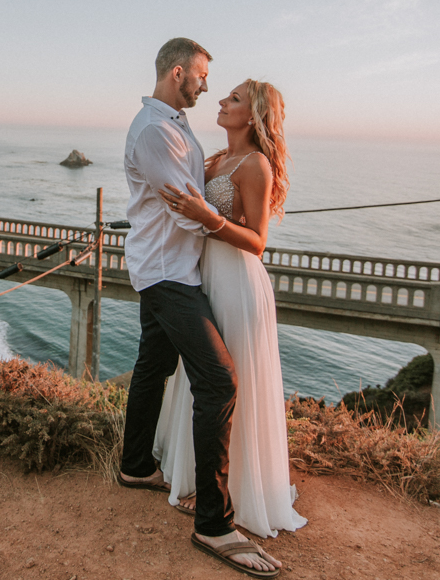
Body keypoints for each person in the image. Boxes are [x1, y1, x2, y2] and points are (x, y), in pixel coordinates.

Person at [117, 39, 280, 578]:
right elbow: (187, 211)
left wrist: (208, 207)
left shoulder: (178, 124)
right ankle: (213, 523)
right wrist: (209, 211)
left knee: (155, 364)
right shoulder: (156, 130)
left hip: (187, 270)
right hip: (169, 273)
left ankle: (136, 466)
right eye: (204, 77)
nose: (208, 87)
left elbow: (204, 201)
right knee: (219, 382)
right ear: (179, 72)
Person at [155, 79, 306, 551]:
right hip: (202, 277)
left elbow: (258, 242)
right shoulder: (214, 160)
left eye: (234, 99)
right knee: (202, 378)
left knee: (229, 381)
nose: (221, 101)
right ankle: (202, 478)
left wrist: (208, 217)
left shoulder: (255, 164)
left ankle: (239, 488)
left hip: (238, 283)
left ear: (255, 115)